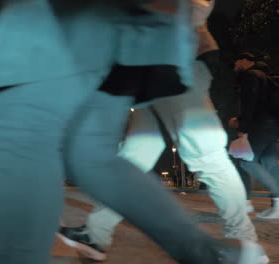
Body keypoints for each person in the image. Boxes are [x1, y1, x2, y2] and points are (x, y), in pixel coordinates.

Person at [0, 1, 266, 263]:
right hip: (127, 40)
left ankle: (234, 241)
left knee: (28, 143)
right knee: (96, 160)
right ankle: (210, 255)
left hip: (64, 24)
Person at [58, 0, 261, 261]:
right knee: (132, 159)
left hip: (174, 58)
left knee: (205, 153)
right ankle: (96, 234)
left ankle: (244, 243)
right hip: (148, 67)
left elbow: (195, 5)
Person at [229, 52, 279, 220]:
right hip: (275, 126)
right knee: (270, 164)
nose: (235, 68)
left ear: (245, 60)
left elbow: (250, 104)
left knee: (245, 162)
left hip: (260, 125)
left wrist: (242, 125)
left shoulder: (251, 76)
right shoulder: (270, 78)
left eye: (236, 64)